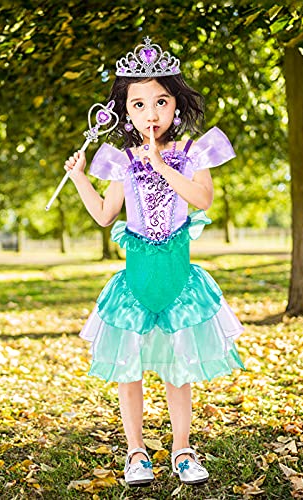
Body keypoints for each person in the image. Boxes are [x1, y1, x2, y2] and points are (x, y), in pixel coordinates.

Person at [64, 37, 244, 487]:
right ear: (126, 112)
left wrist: (163, 165)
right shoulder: (122, 162)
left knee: (178, 368)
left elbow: (203, 199)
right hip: (135, 282)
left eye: (160, 101)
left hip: (180, 281)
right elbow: (106, 215)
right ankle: (136, 452)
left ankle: (182, 449)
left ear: (175, 105)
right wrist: (80, 178)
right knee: (129, 370)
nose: (151, 113)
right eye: (139, 104)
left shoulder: (193, 153)